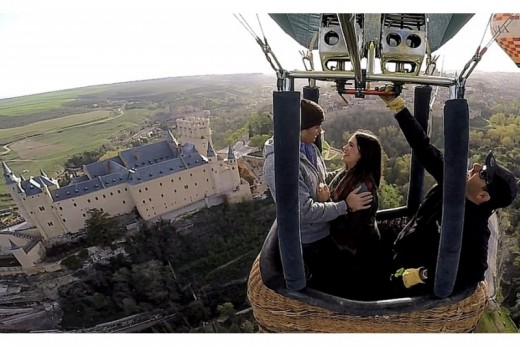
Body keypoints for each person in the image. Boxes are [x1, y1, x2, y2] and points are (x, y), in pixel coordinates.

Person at [377, 85, 519, 297]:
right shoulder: (454, 182)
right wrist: (395, 104)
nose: (477, 167)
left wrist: (421, 275)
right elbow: (423, 148)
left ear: (482, 196)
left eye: (483, 174)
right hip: (400, 249)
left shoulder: (475, 229)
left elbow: (474, 273)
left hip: (405, 280)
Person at [263, 98, 373, 292]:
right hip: (310, 239)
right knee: (325, 284)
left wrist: (348, 171)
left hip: (324, 230)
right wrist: (345, 206)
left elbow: (320, 178)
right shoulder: (281, 164)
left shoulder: (308, 148)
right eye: (316, 126)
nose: (319, 131)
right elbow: (304, 212)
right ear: (301, 128)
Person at [325, 130, 384, 299]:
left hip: (358, 255)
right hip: (348, 251)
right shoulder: (347, 174)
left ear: (363, 154)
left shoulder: (362, 188)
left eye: (351, 145)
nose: (344, 147)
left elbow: (351, 228)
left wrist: (337, 206)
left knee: (354, 294)